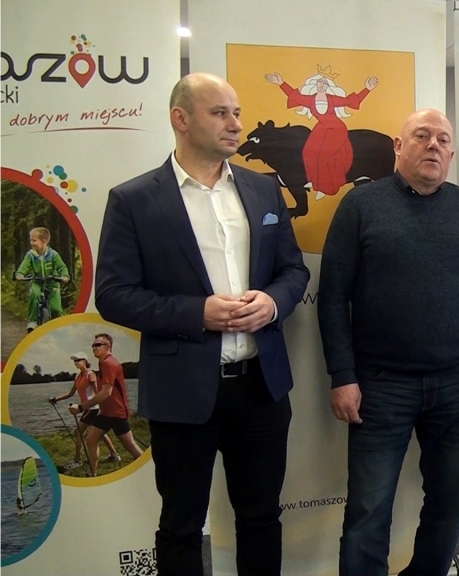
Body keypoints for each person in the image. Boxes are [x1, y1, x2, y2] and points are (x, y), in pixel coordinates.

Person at [94, 72, 310, 576]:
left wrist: (272, 303)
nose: (235, 124)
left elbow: (293, 271)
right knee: (181, 525)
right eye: (220, 113)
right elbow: (113, 295)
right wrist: (197, 313)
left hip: (261, 387)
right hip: (182, 390)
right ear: (181, 119)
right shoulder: (134, 199)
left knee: (261, 519)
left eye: (237, 113)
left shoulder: (263, 190)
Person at [318, 108, 459, 576]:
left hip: (456, 384)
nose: (433, 145)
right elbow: (333, 297)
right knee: (368, 511)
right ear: (398, 146)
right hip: (379, 386)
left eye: (442, 139)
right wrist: (342, 375)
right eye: (422, 136)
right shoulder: (361, 205)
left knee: (449, 505)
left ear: (452, 154)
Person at [265, 67, 378, 200]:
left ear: (328, 86)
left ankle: (326, 187)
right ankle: (315, 182)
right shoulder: (310, 100)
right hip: (321, 129)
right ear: (316, 84)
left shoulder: (332, 99)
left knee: (325, 154)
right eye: (320, 82)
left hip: (336, 129)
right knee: (308, 153)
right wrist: (281, 83)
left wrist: (367, 89)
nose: (322, 84)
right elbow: (294, 96)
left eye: (324, 83)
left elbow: (352, 101)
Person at [69, 332, 145, 473]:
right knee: (91, 440)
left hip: (117, 413)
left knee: (130, 446)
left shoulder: (109, 363)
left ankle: (148, 468)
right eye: (93, 345)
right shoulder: (103, 363)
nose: (94, 348)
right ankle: (93, 474)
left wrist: (81, 407)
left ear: (108, 346)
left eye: (98, 345)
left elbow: (106, 392)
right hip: (106, 413)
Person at [50, 351, 120, 471]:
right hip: (87, 409)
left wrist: (105, 407)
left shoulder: (90, 375)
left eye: (78, 360)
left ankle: (77, 460)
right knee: (100, 433)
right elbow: (71, 393)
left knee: (78, 432)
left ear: (85, 361)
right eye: (74, 361)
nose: (76, 362)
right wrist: (56, 399)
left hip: (93, 409)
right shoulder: (78, 376)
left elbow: (98, 393)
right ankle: (114, 455)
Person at [15, 227, 70, 331]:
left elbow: (62, 267)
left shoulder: (53, 255)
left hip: (52, 283)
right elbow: (24, 266)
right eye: (31, 240)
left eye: (34, 240)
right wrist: (20, 274)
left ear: (44, 241)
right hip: (37, 282)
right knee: (34, 294)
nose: (31, 243)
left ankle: (59, 326)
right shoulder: (31, 255)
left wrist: (65, 276)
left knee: (56, 308)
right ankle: (33, 321)